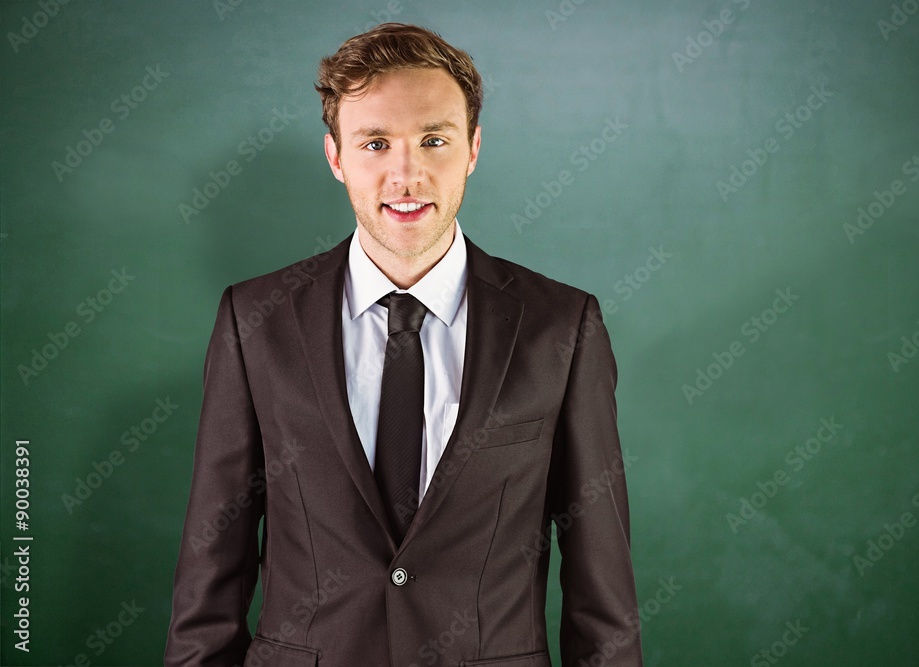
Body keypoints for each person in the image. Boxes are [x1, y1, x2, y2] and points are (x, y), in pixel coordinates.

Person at [164, 22, 642, 667]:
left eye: (434, 140)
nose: (406, 174)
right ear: (336, 157)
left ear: (473, 148)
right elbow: (210, 573)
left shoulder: (561, 325)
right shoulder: (255, 320)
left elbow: (601, 589)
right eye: (376, 143)